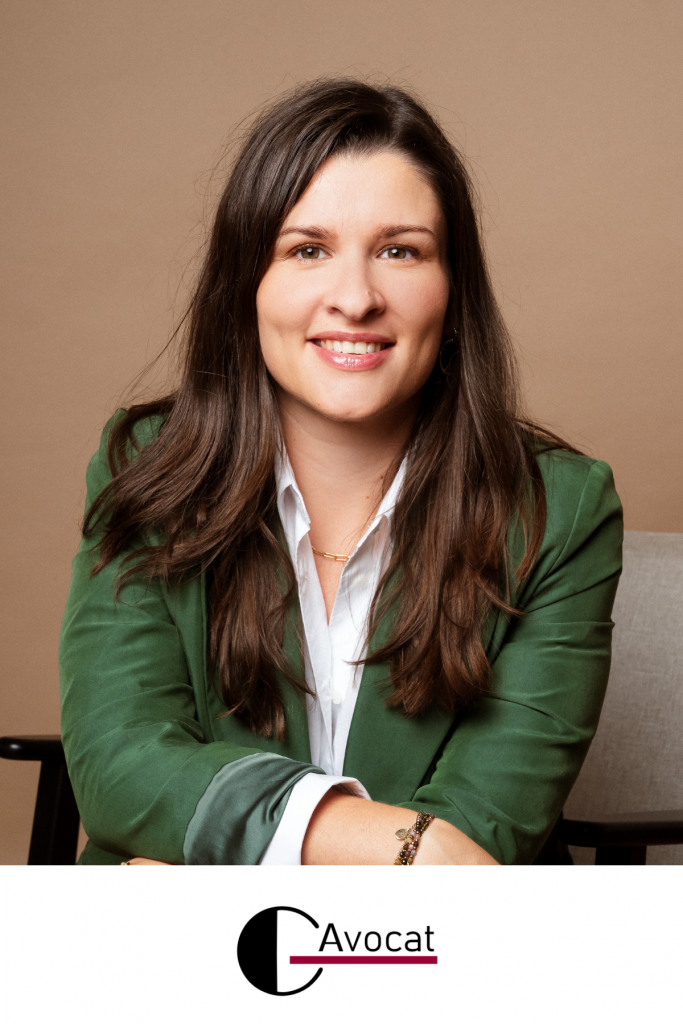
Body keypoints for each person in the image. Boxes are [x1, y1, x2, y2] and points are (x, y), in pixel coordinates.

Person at [59, 79, 622, 866]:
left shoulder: (559, 508)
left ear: (453, 291)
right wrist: (379, 845)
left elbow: (482, 836)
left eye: (399, 251)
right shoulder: (150, 469)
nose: (354, 298)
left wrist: (214, 863)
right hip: (175, 959)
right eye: (307, 249)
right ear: (245, 286)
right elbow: (120, 772)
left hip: (431, 968)